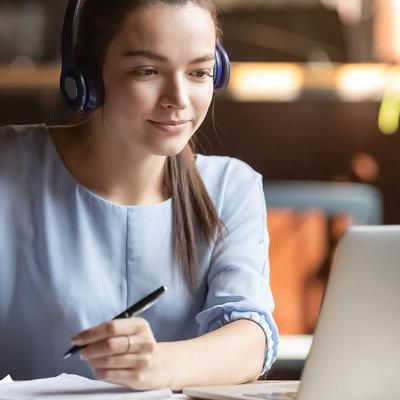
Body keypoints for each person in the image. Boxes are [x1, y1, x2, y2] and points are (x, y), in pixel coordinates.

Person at [0, 0, 278, 391]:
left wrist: (159, 364)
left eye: (199, 72)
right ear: (88, 78)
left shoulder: (231, 186)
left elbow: (250, 337)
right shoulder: (9, 167)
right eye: (147, 71)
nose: (178, 98)